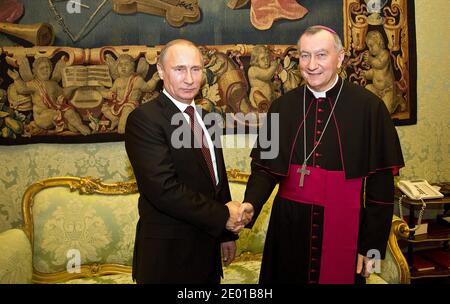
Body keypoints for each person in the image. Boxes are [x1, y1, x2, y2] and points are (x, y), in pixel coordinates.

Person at [240, 25, 404, 284]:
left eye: (321, 55)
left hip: (344, 227)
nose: (311, 64)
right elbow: (265, 169)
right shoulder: (282, 107)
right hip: (289, 227)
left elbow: (381, 187)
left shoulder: (370, 108)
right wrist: (250, 204)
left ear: (339, 58)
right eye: (305, 55)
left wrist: (371, 246)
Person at [124, 39, 242, 284]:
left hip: (207, 252)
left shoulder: (208, 118)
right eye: (180, 69)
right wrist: (223, 216)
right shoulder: (144, 119)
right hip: (167, 259)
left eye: (196, 69)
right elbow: (163, 189)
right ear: (160, 71)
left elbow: (216, 179)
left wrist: (225, 233)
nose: (189, 79)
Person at [7, 57, 91, 135]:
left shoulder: (53, 83)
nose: (45, 70)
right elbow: (22, 89)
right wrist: (17, 78)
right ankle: (68, 124)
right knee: (55, 113)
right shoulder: (33, 84)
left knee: (70, 112)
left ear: (51, 70)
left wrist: (73, 87)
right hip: (42, 117)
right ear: (35, 71)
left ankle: (77, 126)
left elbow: (64, 94)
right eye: (42, 68)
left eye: (48, 68)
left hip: (56, 111)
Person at [101, 54, 160, 134]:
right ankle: (115, 120)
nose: (123, 67)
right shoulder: (117, 81)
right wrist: (109, 94)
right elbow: (112, 91)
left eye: (126, 64)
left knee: (123, 125)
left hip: (130, 105)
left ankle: (122, 129)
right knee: (104, 109)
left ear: (132, 67)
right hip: (118, 104)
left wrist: (154, 79)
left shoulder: (137, 80)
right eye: (120, 65)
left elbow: (148, 88)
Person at [362, 30, 405, 114]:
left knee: (387, 111)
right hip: (377, 89)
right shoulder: (375, 59)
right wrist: (366, 74)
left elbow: (380, 64)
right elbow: (374, 72)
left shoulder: (385, 54)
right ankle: (378, 101)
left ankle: (397, 99)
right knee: (368, 88)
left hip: (387, 90)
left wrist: (370, 59)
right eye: (368, 47)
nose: (370, 49)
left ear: (379, 42)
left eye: (371, 46)